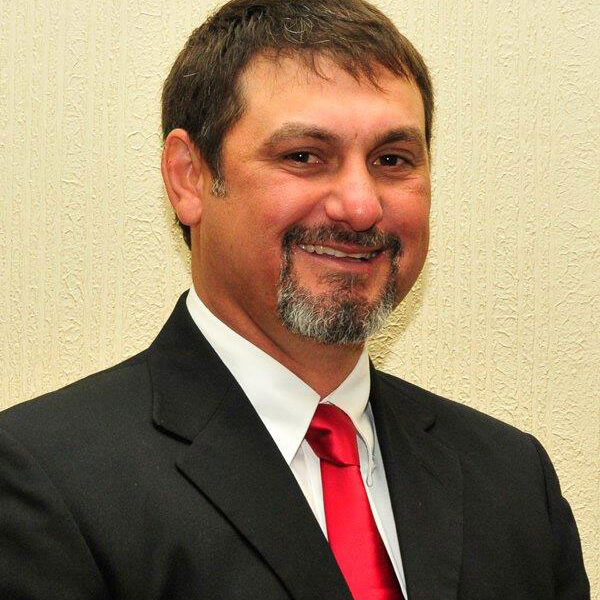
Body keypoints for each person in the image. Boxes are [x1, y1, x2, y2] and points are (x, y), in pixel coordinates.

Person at [0, 0, 589, 598]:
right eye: (304, 156)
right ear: (189, 178)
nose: (360, 206)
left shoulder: (511, 481)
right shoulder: (43, 483)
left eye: (392, 160)